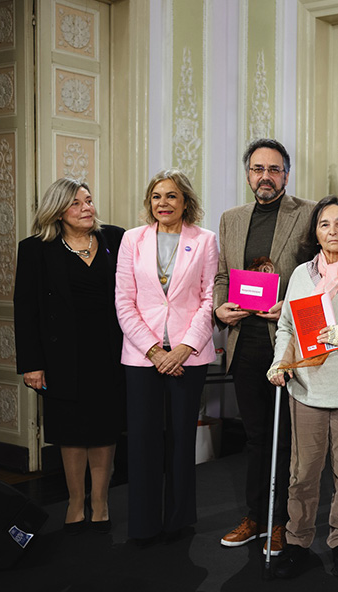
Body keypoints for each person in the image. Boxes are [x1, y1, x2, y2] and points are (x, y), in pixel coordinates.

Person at [266, 196, 338, 579]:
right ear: (315, 233)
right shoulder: (302, 274)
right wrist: (279, 361)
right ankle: (297, 542)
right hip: (307, 390)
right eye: (324, 224)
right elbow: (286, 325)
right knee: (302, 475)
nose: (332, 231)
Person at [214, 138, 313, 556]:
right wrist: (219, 307)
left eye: (274, 169)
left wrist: (288, 305)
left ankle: (282, 522)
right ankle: (255, 517)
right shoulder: (231, 219)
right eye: (258, 169)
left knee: (287, 441)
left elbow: (321, 274)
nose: (266, 177)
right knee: (256, 439)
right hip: (245, 346)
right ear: (248, 174)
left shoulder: (308, 214)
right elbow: (223, 274)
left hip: (288, 346)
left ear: (286, 175)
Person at [14, 178, 125, 534]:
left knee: (104, 429)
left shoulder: (116, 239)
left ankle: (100, 502)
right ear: (58, 211)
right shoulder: (36, 249)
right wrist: (31, 364)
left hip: (109, 351)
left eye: (88, 200)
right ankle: (76, 502)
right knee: (71, 431)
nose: (86, 208)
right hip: (60, 355)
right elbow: (25, 310)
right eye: (76, 203)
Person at [115, 169, 218, 545]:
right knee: (142, 441)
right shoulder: (132, 239)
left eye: (171, 196)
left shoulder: (204, 240)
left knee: (181, 439)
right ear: (149, 202)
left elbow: (210, 299)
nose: (163, 203)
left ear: (185, 201)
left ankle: (178, 520)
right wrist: (156, 352)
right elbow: (124, 301)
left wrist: (184, 348)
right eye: (157, 196)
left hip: (189, 357)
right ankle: (143, 525)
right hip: (142, 357)